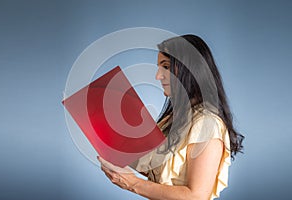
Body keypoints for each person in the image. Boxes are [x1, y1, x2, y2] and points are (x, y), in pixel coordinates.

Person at [98, 34, 244, 200]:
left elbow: (196, 195)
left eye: (166, 67)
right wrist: (113, 142)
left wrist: (133, 183)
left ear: (189, 69)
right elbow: (159, 173)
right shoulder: (175, 119)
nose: (158, 76)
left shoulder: (207, 123)